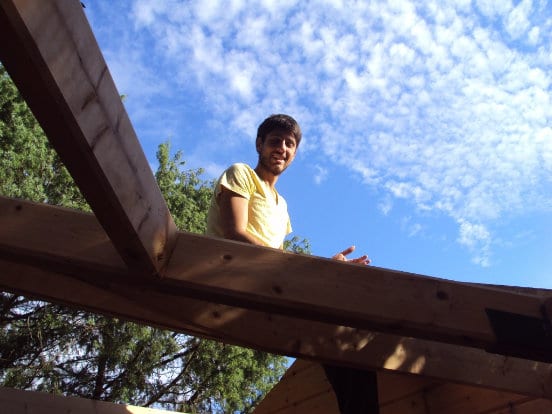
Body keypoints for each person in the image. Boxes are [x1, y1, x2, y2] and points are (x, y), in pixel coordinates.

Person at [206, 114, 378, 414]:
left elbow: (281, 261)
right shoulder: (241, 174)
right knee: (338, 324)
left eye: (289, 144)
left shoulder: (281, 206)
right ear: (260, 144)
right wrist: (313, 272)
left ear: (294, 154)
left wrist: (326, 267)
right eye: (274, 141)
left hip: (270, 288)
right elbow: (235, 232)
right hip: (233, 278)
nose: (281, 148)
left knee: (349, 336)